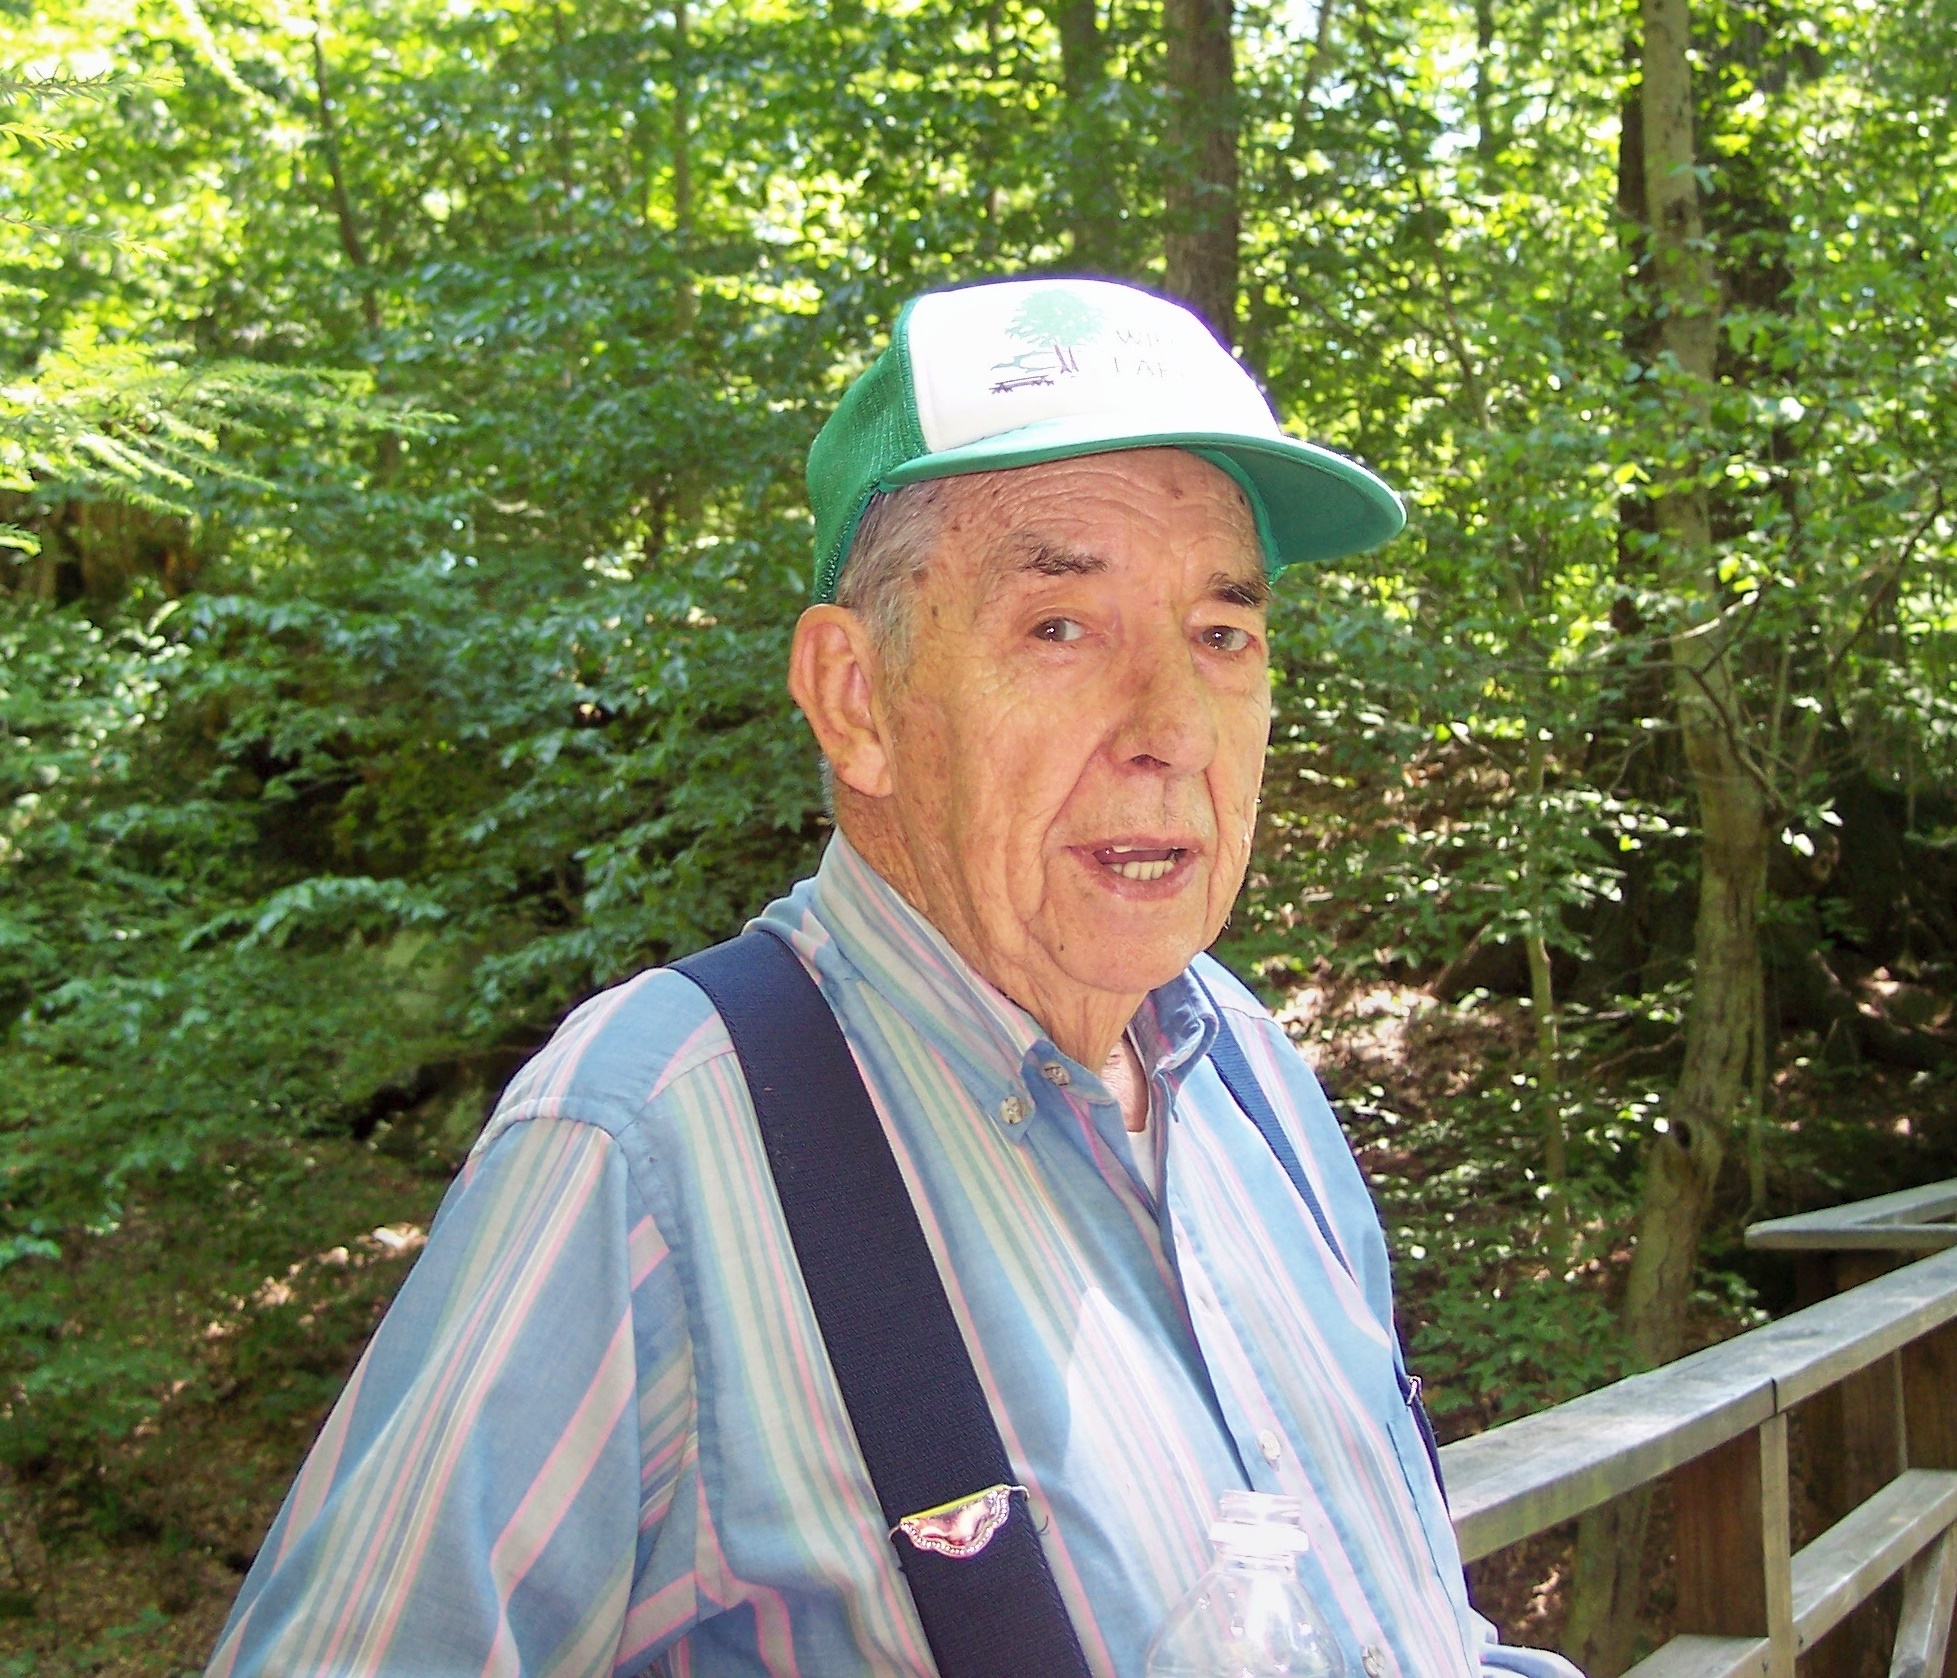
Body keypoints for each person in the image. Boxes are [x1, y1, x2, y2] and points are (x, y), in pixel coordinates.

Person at [205, 277, 1580, 1678]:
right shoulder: (650, 1139)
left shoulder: (1248, 1074)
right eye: (1060, 625)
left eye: (1221, 634)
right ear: (854, 697)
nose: (1173, 725)